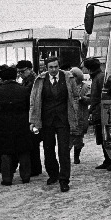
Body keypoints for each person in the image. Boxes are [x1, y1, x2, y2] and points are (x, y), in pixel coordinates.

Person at [29, 56, 79, 192]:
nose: (53, 69)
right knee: (48, 149)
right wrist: (33, 121)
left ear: (59, 66)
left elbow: (75, 97)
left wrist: (75, 116)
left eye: (56, 67)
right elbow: (34, 101)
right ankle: (53, 174)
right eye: (51, 67)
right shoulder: (40, 80)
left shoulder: (68, 78)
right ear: (46, 67)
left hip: (63, 120)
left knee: (64, 150)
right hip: (46, 120)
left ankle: (64, 180)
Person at [0, 66, 32, 185]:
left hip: (2, 125)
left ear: (2, 78)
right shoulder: (24, 90)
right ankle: (25, 176)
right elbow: (29, 107)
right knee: (23, 151)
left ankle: (7, 178)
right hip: (22, 124)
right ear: (15, 76)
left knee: (5, 152)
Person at [84, 57, 111, 170]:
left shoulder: (99, 78)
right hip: (98, 111)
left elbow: (101, 97)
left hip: (101, 112)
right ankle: (108, 160)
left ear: (89, 68)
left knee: (105, 137)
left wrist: (92, 106)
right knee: (102, 137)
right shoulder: (99, 77)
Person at [16, 60, 43, 177]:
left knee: (33, 142)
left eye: (22, 71)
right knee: (33, 143)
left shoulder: (34, 82)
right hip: (31, 115)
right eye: (19, 72)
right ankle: (35, 167)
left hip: (34, 116)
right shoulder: (27, 81)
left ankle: (35, 168)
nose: (21, 74)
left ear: (29, 69)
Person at [69, 67, 90, 165]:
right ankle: (66, 157)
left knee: (78, 139)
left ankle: (76, 156)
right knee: (68, 139)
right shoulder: (68, 86)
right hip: (70, 117)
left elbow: (90, 99)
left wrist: (83, 98)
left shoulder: (85, 87)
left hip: (81, 116)